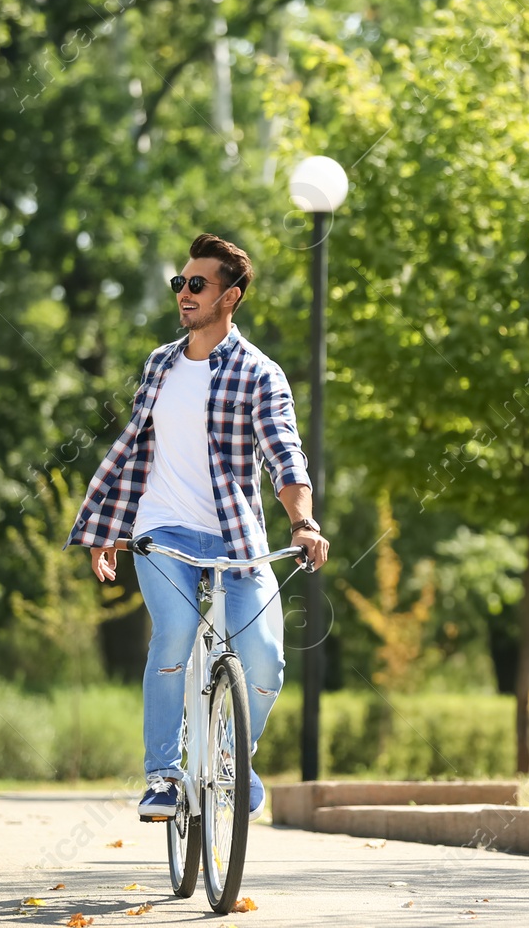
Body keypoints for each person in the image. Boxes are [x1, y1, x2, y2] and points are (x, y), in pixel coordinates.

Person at [65, 232, 329, 821]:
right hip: (162, 532)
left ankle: (234, 756)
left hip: (237, 537)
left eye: (197, 284)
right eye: (179, 283)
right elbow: (134, 451)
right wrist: (108, 526)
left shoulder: (260, 373)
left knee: (264, 660)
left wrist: (303, 521)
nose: (183, 293)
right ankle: (163, 774)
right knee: (175, 633)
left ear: (229, 297)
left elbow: (285, 455)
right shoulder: (159, 364)